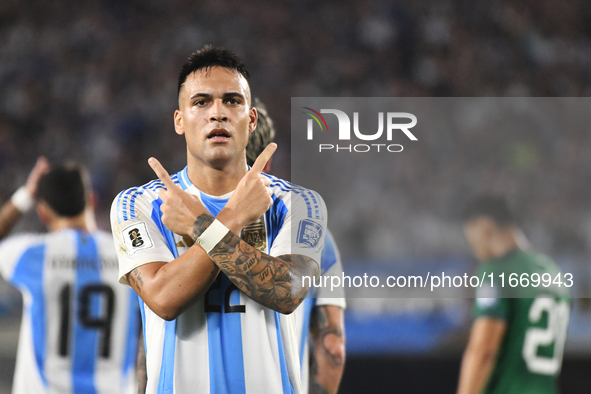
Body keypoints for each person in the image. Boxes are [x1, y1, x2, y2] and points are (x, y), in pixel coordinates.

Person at [111, 46, 325, 394]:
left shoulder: (296, 202)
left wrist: (203, 226)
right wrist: (234, 217)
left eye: (232, 101)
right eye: (201, 102)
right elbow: (164, 299)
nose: (218, 114)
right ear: (179, 120)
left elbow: (288, 291)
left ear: (251, 119)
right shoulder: (139, 203)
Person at [0, 158, 140, 394]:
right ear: (92, 200)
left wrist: (25, 196)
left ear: (43, 213)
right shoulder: (128, 254)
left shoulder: (30, 254)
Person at [247, 99, 346, 394]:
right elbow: (333, 346)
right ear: (268, 161)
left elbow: (152, 344)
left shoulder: (183, 224)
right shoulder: (318, 236)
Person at [457, 195, 571, 394]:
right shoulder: (555, 274)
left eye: (472, 240)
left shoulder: (496, 270)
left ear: (485, 227)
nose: (475, 250)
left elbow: (483, 350)